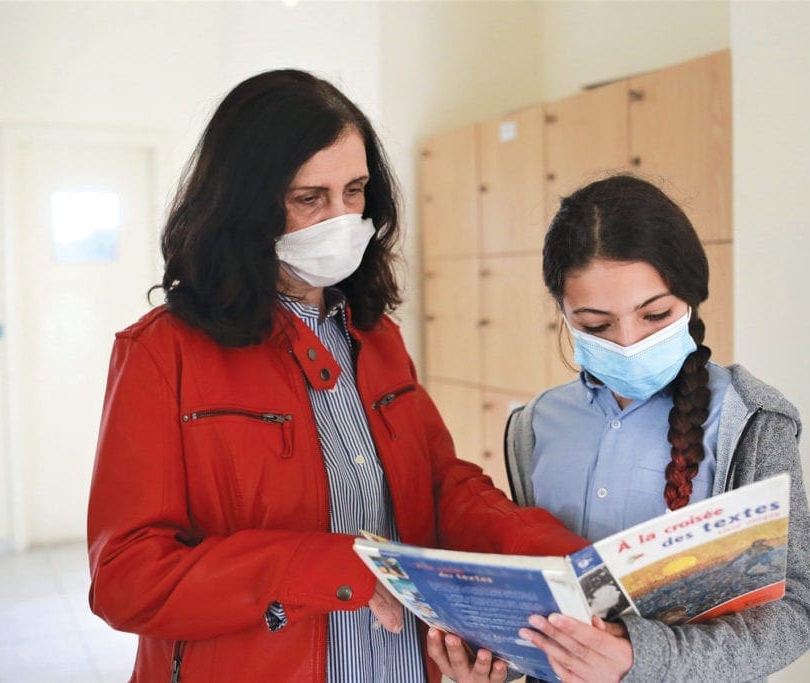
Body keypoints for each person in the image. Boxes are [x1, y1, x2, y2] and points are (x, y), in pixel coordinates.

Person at [85, 69, 587, 682]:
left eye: (355, 191)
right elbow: (127, 580)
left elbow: (439, 487)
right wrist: (320, 566)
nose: (342, 218)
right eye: (309, 199)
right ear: (244, 207)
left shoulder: (376, 335)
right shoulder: (162, 352)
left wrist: (547, 552)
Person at [429, 175, 810, 682]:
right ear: (564, 314)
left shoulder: (752, 421)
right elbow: (546, 599)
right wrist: (499, 662)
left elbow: (794, 618)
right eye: (596, 325)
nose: (629, 341)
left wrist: (638, 657)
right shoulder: (535, 426)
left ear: (691, 299)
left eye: (655, 315)